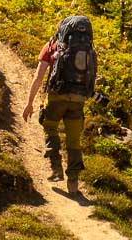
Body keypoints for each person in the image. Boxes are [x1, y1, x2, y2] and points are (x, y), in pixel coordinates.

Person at [22, 15, 96, 196]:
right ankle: (73, 184)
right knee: (74, 141)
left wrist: (29, 102)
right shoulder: (88, 49)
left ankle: (55, 169)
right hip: (78, 99)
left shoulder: (52, 46)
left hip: (56, 96)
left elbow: (38, 77)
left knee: (50, 127)